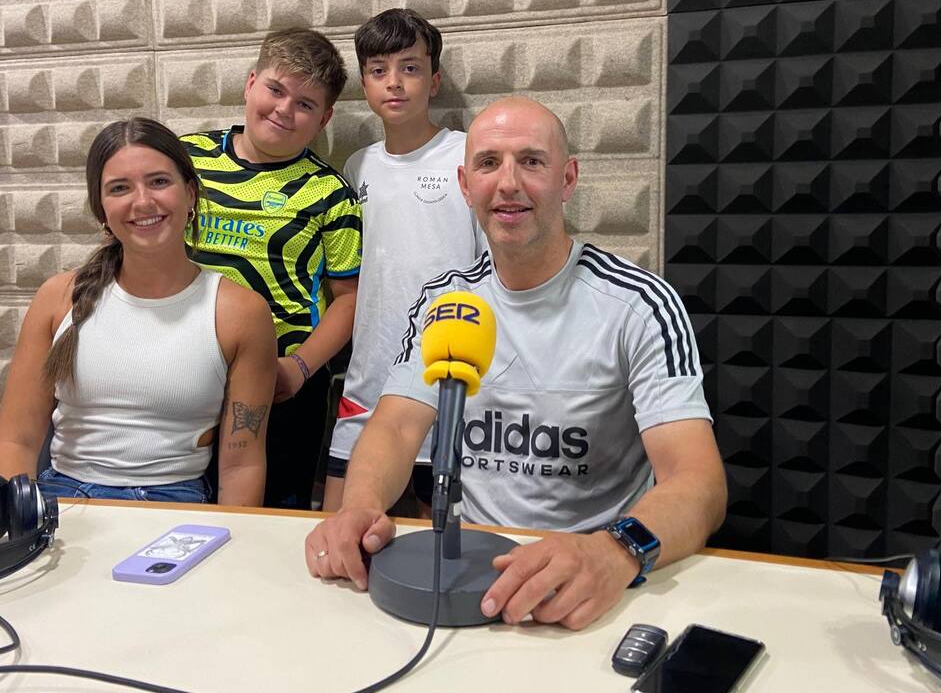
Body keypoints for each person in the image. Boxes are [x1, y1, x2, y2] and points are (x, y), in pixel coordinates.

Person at [305, 97, 726, 630]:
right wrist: (360, 506)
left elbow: (698, 482)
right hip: (476, 579)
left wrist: (615, 550)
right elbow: (395, 427)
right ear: (465, 185)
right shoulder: (445, 302)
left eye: (531, 161)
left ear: (567, 179)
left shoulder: (639, 305)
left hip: (590, 590)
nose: (507, 183)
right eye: (488, 163)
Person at [0, 118, 276, 504]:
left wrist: (231, 537)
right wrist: (20, 523)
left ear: (190, 194)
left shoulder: (240, 312)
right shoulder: (57, 298)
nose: (142, 202)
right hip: (63, 498)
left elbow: (242, 465)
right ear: (102, 209)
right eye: (120, 188)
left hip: (175, 501)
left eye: (159, 181)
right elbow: (15, 441)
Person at [180, 29, 361, 509]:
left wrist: (299, 369)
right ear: (250, 83)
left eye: (305, 104)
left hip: (284, 386)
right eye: (275, 90)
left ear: (324, 118)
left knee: (271, 523)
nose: (284, 109)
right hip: (182, 373)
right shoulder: (184, 160)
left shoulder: (331, 193)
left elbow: (349, 299)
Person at [324, 8, 483, 513]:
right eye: (379, 70)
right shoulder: (357, 166)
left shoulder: (469, 155)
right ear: (365, 84)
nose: (394, 82)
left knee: (442, 535)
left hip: (451, 381)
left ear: (434, 80)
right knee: (344, 525)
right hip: (368, 380)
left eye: (410, 68)